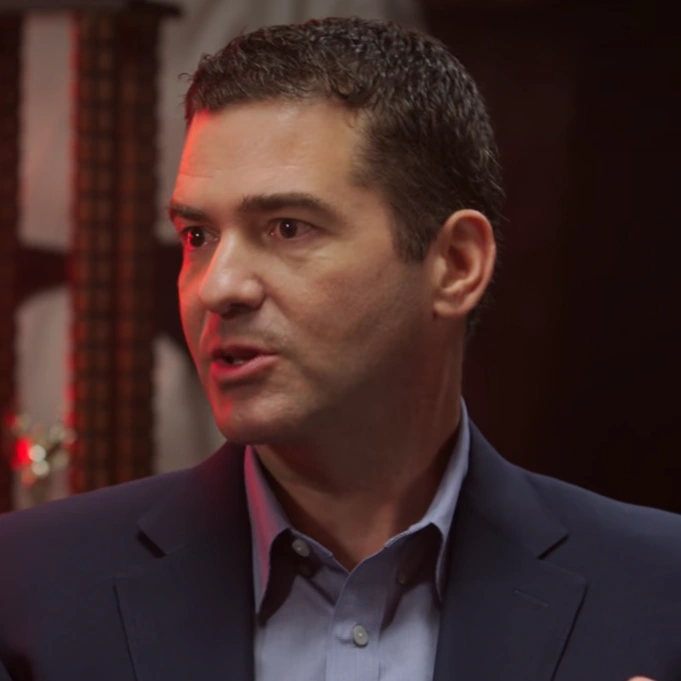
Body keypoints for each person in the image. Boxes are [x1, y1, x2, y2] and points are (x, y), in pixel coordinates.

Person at [0, 17, 678, 681]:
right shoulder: (28, 588)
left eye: (287, 228)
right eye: (198, 236)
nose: (218, 287)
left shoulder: (657, 595)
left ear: (456, 264)